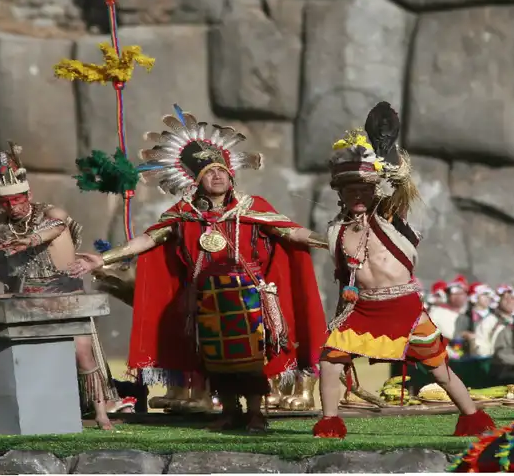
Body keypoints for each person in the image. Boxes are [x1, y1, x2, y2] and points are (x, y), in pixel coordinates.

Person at [66, 106, 327, 433]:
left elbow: (290, 231)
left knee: (251, 359)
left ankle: (256, 414)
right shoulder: (183, 212)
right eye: (208, 172)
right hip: (205, 302)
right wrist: (104, 259)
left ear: (231, 175)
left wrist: (330, 240)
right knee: (216, 360)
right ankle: (231, 412)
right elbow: (148, 239)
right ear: (196, 180)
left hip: (249, 299)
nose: (217, 176)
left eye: (221, 171)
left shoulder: (253, 208)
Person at [311, 102, 495, 439]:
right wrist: (340, 312)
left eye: (363, 189)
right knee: (329, 361)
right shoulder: (336, 231)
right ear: (340, 192)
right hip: (362, 308)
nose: (357, 195)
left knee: (439, 370)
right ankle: (329, 422)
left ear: (374, 189)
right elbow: (344, 279)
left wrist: (386, 154)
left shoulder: (391, 218)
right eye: (350, 190)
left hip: (404, 307)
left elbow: (402, 186)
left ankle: (472, 417)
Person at [0, 142, 123, 429]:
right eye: (6, 203)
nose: (12, 207)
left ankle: (101, 414)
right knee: (28, 358)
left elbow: (55, 230)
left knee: (83, 354)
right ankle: (29, 413)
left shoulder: (51, 214)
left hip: (66, 292)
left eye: (17, 200)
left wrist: (29, 240)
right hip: (26, 296)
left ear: (28, 195)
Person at [473, 284, 514, 358]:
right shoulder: (490, 321)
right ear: (498, 301)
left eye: (512, 298)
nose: (509, 301)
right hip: (496, 363)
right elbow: (481, 345)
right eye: (505, 298)